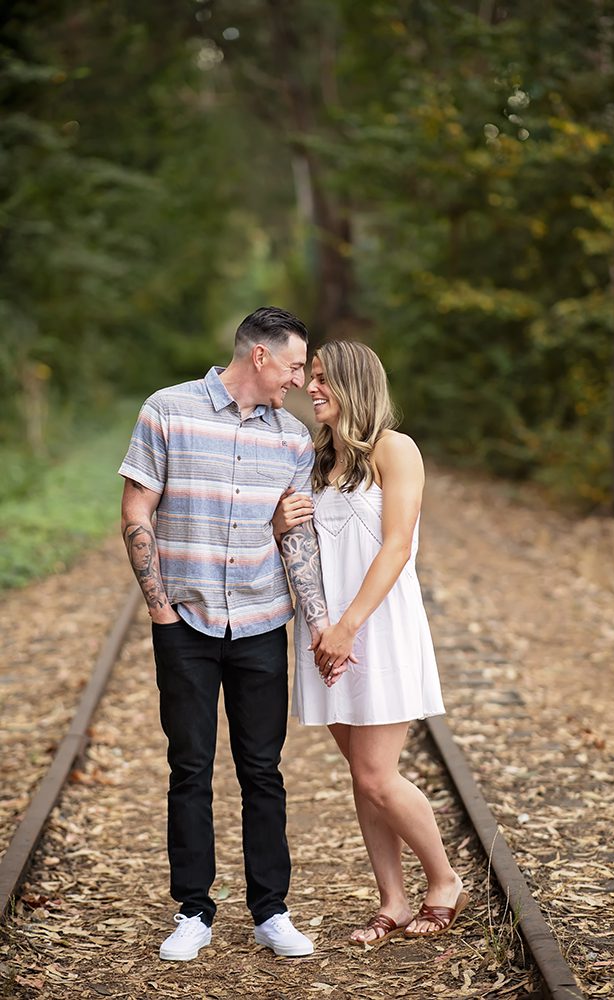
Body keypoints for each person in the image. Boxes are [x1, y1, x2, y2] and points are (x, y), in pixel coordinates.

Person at [119, 306, 333, 961]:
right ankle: (193, 911)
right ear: (261, 356)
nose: (299, 379)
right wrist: (159, 609)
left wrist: (319, 624)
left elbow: (295, 537)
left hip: (262, 621)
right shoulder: (168, 411)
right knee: (189, 768)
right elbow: (136, 509)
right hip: (183, 619)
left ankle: (271, 911)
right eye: (295, 365)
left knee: (262, 771)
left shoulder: (293, 439)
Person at [272, 340, 468, 946]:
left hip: (374, 629)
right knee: (363, 775)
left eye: (325, 379)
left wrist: (349, 625)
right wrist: (280, 528)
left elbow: (397, 546)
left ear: (356, 383)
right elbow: (301, 548)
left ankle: (444, 881)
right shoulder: (315, 458)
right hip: (327, 634)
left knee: (379, 775)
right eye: (311, 378)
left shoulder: (395, 450)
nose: (312, 387)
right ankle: (393, 900)